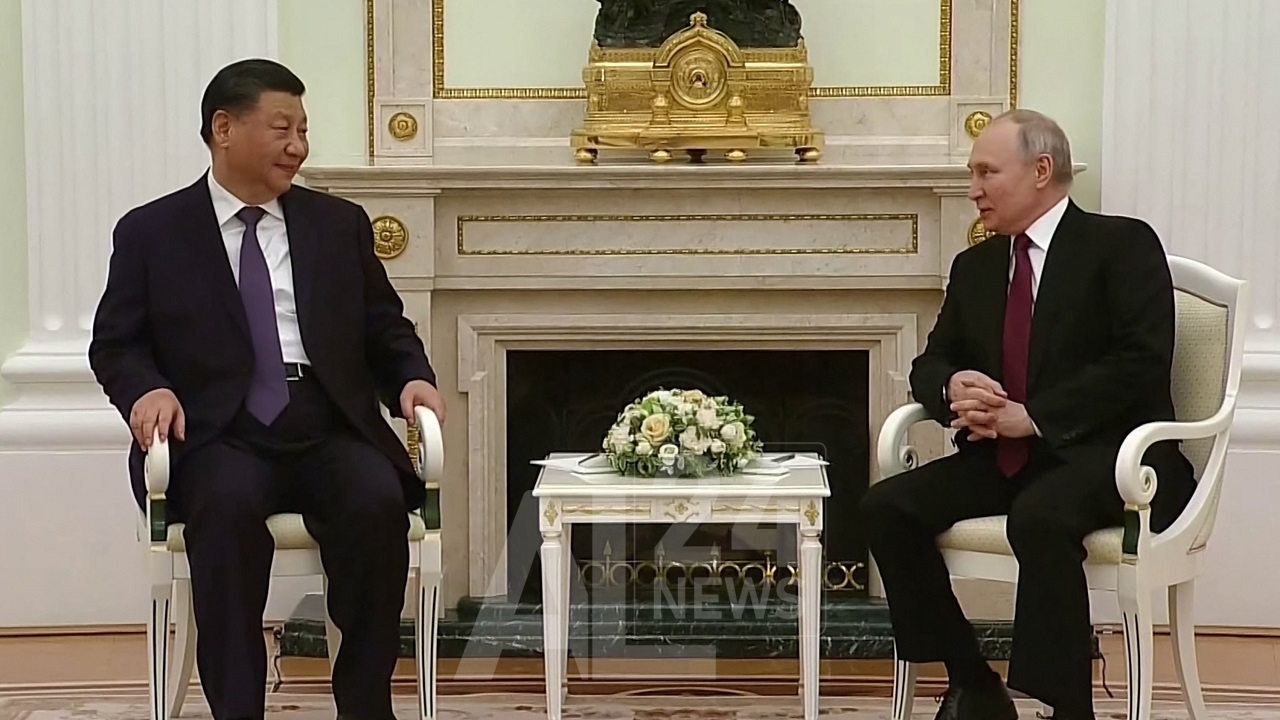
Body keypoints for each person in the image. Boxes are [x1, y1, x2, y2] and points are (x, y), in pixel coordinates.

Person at [89, 58, 445, 720]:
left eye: (304, 130)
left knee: (374, 502)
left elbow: (384, 326)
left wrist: (412, 379)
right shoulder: (152, 232)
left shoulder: (338, 224)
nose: (298, 146)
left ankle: (367, 705)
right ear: (224, 128)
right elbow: (116, 344)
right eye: (282, 129)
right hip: (215, 432)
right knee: (224, 516)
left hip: (325, 421)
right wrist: (146, 391)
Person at [859, 109, 1196, 720]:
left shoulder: (1121, 245)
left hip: (1116, 460)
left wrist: (1033, 416)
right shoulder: (976, 267)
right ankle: (973, 682)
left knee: (1040, 516)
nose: (973, 189)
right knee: (886, 506)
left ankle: (1068, 707)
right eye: (972, 174)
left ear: (1041, 170)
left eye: (987, 172)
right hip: (1006, 459)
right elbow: (931, 363)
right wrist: (951, 387)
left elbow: (1140, 361)